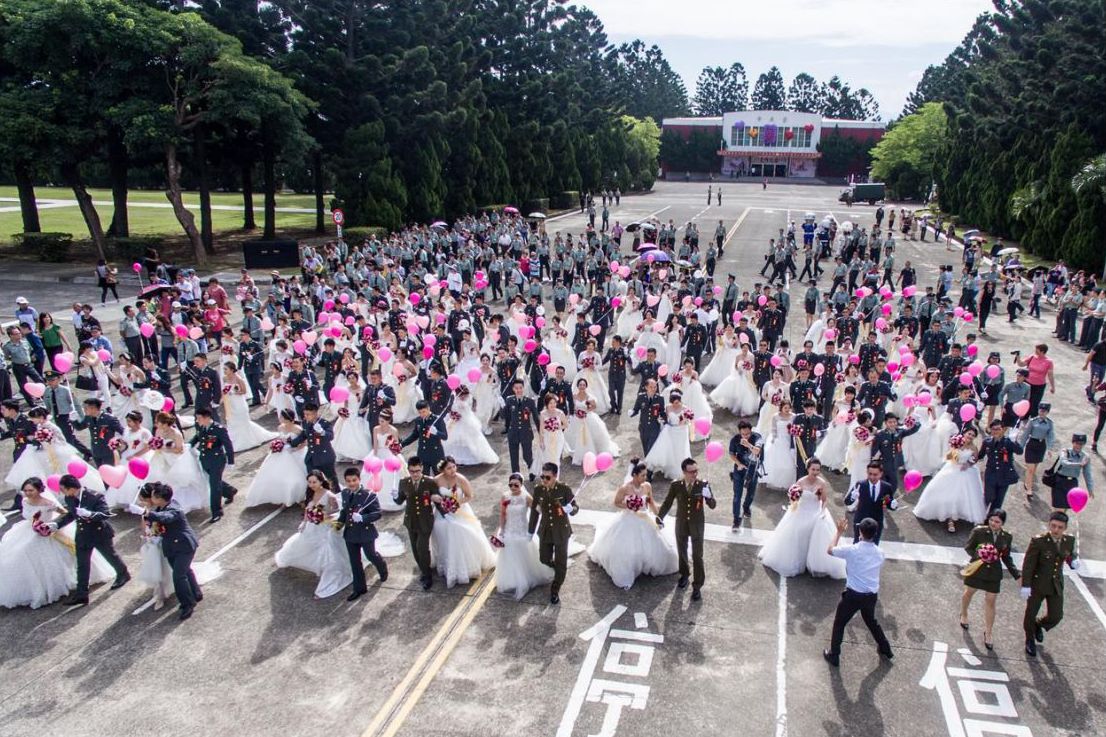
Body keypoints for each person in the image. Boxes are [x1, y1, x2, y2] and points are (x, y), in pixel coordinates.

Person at [0, 477, 116, 609]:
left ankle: (78, 590)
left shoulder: (48, 503)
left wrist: (54, 524)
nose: (27, 493)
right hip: (28, 531)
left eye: (31, 490)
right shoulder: (25, 500)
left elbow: (67, 513)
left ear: (39, 490)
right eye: (25, 490)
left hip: (49, 532)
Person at [587, 461, 678, 589]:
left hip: (645, 518)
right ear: (634, 475)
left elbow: (651, 501)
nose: (645, 478)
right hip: (629, 518)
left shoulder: (647, 486)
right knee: (628, 547)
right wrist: (628, 505)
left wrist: (658, 516)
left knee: (655, 544)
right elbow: (616, 502)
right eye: (642, 475)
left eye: (646, 475)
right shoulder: (625, 488)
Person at [48, 474, 130, 606]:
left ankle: (123, 573)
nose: (62, 492)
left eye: (63, 489)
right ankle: (82, 594)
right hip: (82, 534)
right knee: (82, 564)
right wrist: (57, 524)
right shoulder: (69, 498)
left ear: (72, 489)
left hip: (99, 533)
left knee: (110, 555)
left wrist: (90, 514)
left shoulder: (95, 496)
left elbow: (104, 514)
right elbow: (71, 514)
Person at [822, 517, 894, 667]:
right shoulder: (880, 553)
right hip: (871, 595)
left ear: (860, 532)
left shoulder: (851, 550)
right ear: (875, 533)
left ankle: (834, 655)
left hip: (853, 595)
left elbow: (830, 550)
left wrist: (838, 532)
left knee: (840, 623)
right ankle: (885, 648)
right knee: (871, 621)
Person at [758, 458, 846, 579]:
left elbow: (824, 500)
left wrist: (822, 511)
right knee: (796, 535)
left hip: (815, 511)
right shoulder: (800, 482)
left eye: (818, 470)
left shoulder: (821, 483)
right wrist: (793, 500)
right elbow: (794, 499)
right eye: (813, 469)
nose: (815, 472)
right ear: (808, 469)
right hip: (801, 510)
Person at [131, 482, 203, 619]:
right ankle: (196, 592)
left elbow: (166, 517)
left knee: (178, 576)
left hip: (184, 546)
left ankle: (188, 604)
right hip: (171, 547)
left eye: (153, 496)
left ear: (159, 498)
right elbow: (153, 525)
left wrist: (147, 513)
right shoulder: (160, 507)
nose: (151, 499)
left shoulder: (173, 508)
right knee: (186, 571)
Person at [1021, 512, 1080, 657]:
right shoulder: (1039, 541)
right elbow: (1028, 565)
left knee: (1056, 615)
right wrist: (1026, 585)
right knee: (1031, 613)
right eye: (1053, 526)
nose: (1056, 530)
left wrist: (1073, 561)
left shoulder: (1069, 540)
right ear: (1049, 525)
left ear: (1065, 528)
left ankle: (1039, 624)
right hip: (1038, 583)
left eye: (1060, 527)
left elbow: (1068, 554)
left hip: (1055, 583)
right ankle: (1029, 640)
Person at [959, 509, 1019, 651]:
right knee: (969, 593)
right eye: (991, 520)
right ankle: (964, 613)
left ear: (1002, 523)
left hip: (993, 572)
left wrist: (1016, 574)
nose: (993, 523)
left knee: (991, 601)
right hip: (977, 568)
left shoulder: (1006, 537)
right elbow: (969, 547)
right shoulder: (979, 531)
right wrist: (981, 553)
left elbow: (1006, 556)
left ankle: (988, 632)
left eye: (997, 522)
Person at [656, 458, 716, 601]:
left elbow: (713, 505)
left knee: (697, 556)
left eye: (696, 471)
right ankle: (684, 574)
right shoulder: (676, 485)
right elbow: (668, 502)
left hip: (697, 525)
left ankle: (697, 586)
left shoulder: (703, 485)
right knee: (681, 551)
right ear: (684, 472)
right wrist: (660, 517)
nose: (694, 474)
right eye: (691, 472)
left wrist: (709, 497)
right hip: (682, 523)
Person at [431, 457, 496, 588]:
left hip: (460, 510)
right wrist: (438, 500)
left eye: (454, 467)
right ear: (442, 469)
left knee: (460, 530)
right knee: (441, 527)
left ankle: (467, 566)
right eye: (449, 468)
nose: (453, 470)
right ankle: (448, 565)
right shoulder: (436, 480)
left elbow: (470, 495)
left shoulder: (461, 479)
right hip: (443, 512)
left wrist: (457, 503)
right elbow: (431, 494)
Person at [913, 426, 986, 533]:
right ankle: (948, 517)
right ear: (964, 433)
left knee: (962, 495)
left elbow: (975, 459)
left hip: (966, 472)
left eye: (973, 435)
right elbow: (948, 457)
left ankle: (953, 518)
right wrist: (954, 450)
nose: (970, 436)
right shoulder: (957, 442)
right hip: (952, 469)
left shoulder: (974, 447)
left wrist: (968, 464)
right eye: (969, 434)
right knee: (945, 493)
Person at [495, 472, 555, 600]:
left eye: (516, 485)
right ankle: (512, 579)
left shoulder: (526, 497)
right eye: (510, 485)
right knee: (510, 554)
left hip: (522, 530)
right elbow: (503, 514)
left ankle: (526, 577)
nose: (512, 488)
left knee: (524, 554)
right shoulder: (505, 497)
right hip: (510, 530)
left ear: (521, 485)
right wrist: (502, 530)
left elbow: (538, 510)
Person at [528, 462, 577, 604]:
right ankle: (557, 568)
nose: (544, 480)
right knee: (543, 558)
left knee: (561, 562)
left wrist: (571, 509)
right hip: (545, 531)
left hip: (561, 531)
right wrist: (531, 530)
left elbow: (575, 506)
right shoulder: (538, 490)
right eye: (542, 476)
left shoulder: (564, 489)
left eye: (547, 477)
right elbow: (534, 511)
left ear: (555, 476)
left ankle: (555, 589)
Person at [336, 467, 388, 601]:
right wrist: (340, 523)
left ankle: (382, 567)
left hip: (365, 533)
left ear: (359, 479)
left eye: (354, 480)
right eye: (348, 481)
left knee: (371, 555)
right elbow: (345, 511)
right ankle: (359, 588)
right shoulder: (345, 493)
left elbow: (377, 513)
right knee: (355, 562)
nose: (352, 483)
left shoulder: (369, 495)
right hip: (351, 533)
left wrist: (363, 518)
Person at [244, 410, 308, 508]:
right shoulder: (280, 427)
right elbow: (280, 439)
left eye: (281, 417)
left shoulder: (298, 429)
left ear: (286, 418)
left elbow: (304, 442)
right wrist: (276, 445)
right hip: (282, 451)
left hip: (295, 452)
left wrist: (295, 449)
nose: (279, 419)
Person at [394, 456, 439, 590]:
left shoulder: (429, 482)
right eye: (412, 471)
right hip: (411, 520)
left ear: (422, 468)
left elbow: (436, 496)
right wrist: (395, 497)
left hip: (425, 520)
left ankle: (427, 575)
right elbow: (400, 501)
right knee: (414, 549)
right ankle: (423, 569)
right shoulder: (403, 482)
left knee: (422, 548)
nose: (415, 474)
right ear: (408, 470)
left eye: (417, 471)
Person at [190, 408, 236, 523]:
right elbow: (197, 438)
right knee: (215, 481)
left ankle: (216, 512)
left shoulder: (218, 429)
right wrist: (188, 445)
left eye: (199, 418)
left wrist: (231, 461)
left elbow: (228, 444)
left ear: (207, 417)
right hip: (205, 459)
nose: (197, 420)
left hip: (217, 460)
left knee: (214, 486)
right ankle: (229, 491)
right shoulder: (201, 427)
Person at [221, 361, 278, 451]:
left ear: (232, 370)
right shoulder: (224, 379)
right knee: (232, 422)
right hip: (230, 403)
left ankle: (248, 440)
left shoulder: (238, 379)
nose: (224, 371)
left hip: (239, 403)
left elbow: (244, 391)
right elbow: (223, 390)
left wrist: (234, 392)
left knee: (243, 422)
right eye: (224, 369)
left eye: (226, 369)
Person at [976, 419, 1023, 514]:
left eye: (998, 429)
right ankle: (981, 515)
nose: (996, 431)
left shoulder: (1008, 442)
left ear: (1002, 429)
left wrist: (1015, 441)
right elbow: (980, 455)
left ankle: (990, 519)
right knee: (988, 497)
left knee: (998, 501)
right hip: (991, 474)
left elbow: (1019, 451)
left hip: (1004, 475)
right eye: (993, 429)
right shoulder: (987, 442)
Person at [844, 462, 897, 543]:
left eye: (875, 474)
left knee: (874, 546)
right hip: (861, 521)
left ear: (881, 474)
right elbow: (847, 502)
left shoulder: (886, 487)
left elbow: (888, 502)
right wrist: (852, 497)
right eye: (870, 474)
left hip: (876, 523)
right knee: (857, 545)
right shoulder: (860, 484)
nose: (872, 477)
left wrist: (893, 505)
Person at [290, 402, 338, 489]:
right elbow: (303, 435)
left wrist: (322, 432)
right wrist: (291, 443)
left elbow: (330, 436)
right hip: (311, 458)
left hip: (325, 457)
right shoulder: (306, 423)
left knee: (332, 479)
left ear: (315, 413)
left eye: (308, 414)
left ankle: (338, 496)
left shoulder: (324, 423)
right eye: (305, 414)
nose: (306, 416)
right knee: (313, 481)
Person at [728, 420, 763, 528]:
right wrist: (738, 463)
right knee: (737, 495)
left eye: (747, 433)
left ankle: (746, 507)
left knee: (751, 493)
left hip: (753, 468)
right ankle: (736, 519)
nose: (745, 436)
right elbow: (732, 454)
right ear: (739, 432)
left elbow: (757, 451)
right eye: (743, 434)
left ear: (751, 431)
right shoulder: (735, 439)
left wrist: (748, 445)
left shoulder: (757, 437)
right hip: (739, 468)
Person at [1047, 433, 1094, 512]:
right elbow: (1064, 462)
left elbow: (1087, 473)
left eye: (1081, 444)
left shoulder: (1085, 457)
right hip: (1060, 482)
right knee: (1059, 509)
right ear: (1073, 442)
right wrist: (1079, 464)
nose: (1079, 446)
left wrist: (1090, 489)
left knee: (1065, 509)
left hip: (1072, 484)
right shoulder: (1065, 451)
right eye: (1077, 443)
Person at [401, 400, 448, 472]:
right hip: (423, 453)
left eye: (424, 411)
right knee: (424, 478)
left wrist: (436, 432)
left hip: (435, 453)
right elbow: (414, 435)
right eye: (419, 412)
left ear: (428, 408)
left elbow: (445, 436)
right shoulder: (418, 420)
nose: (422, 414)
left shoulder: (437, 419)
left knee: (439, 476)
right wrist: (402, 444)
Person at [1021, 402, 1056, 499]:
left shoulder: (1049, 423)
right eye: (1041, 410)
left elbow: (1050, 436)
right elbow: (1025, 434)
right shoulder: (1033, 421)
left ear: (1047, 412)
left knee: (1034, 469)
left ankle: (1027, 482)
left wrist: (1049, 448)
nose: (1042, 412)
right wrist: (1021, 446)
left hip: (1041, 446)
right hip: (1032, 444)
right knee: (1030, 469)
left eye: (1044, 411)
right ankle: (1029, 489)